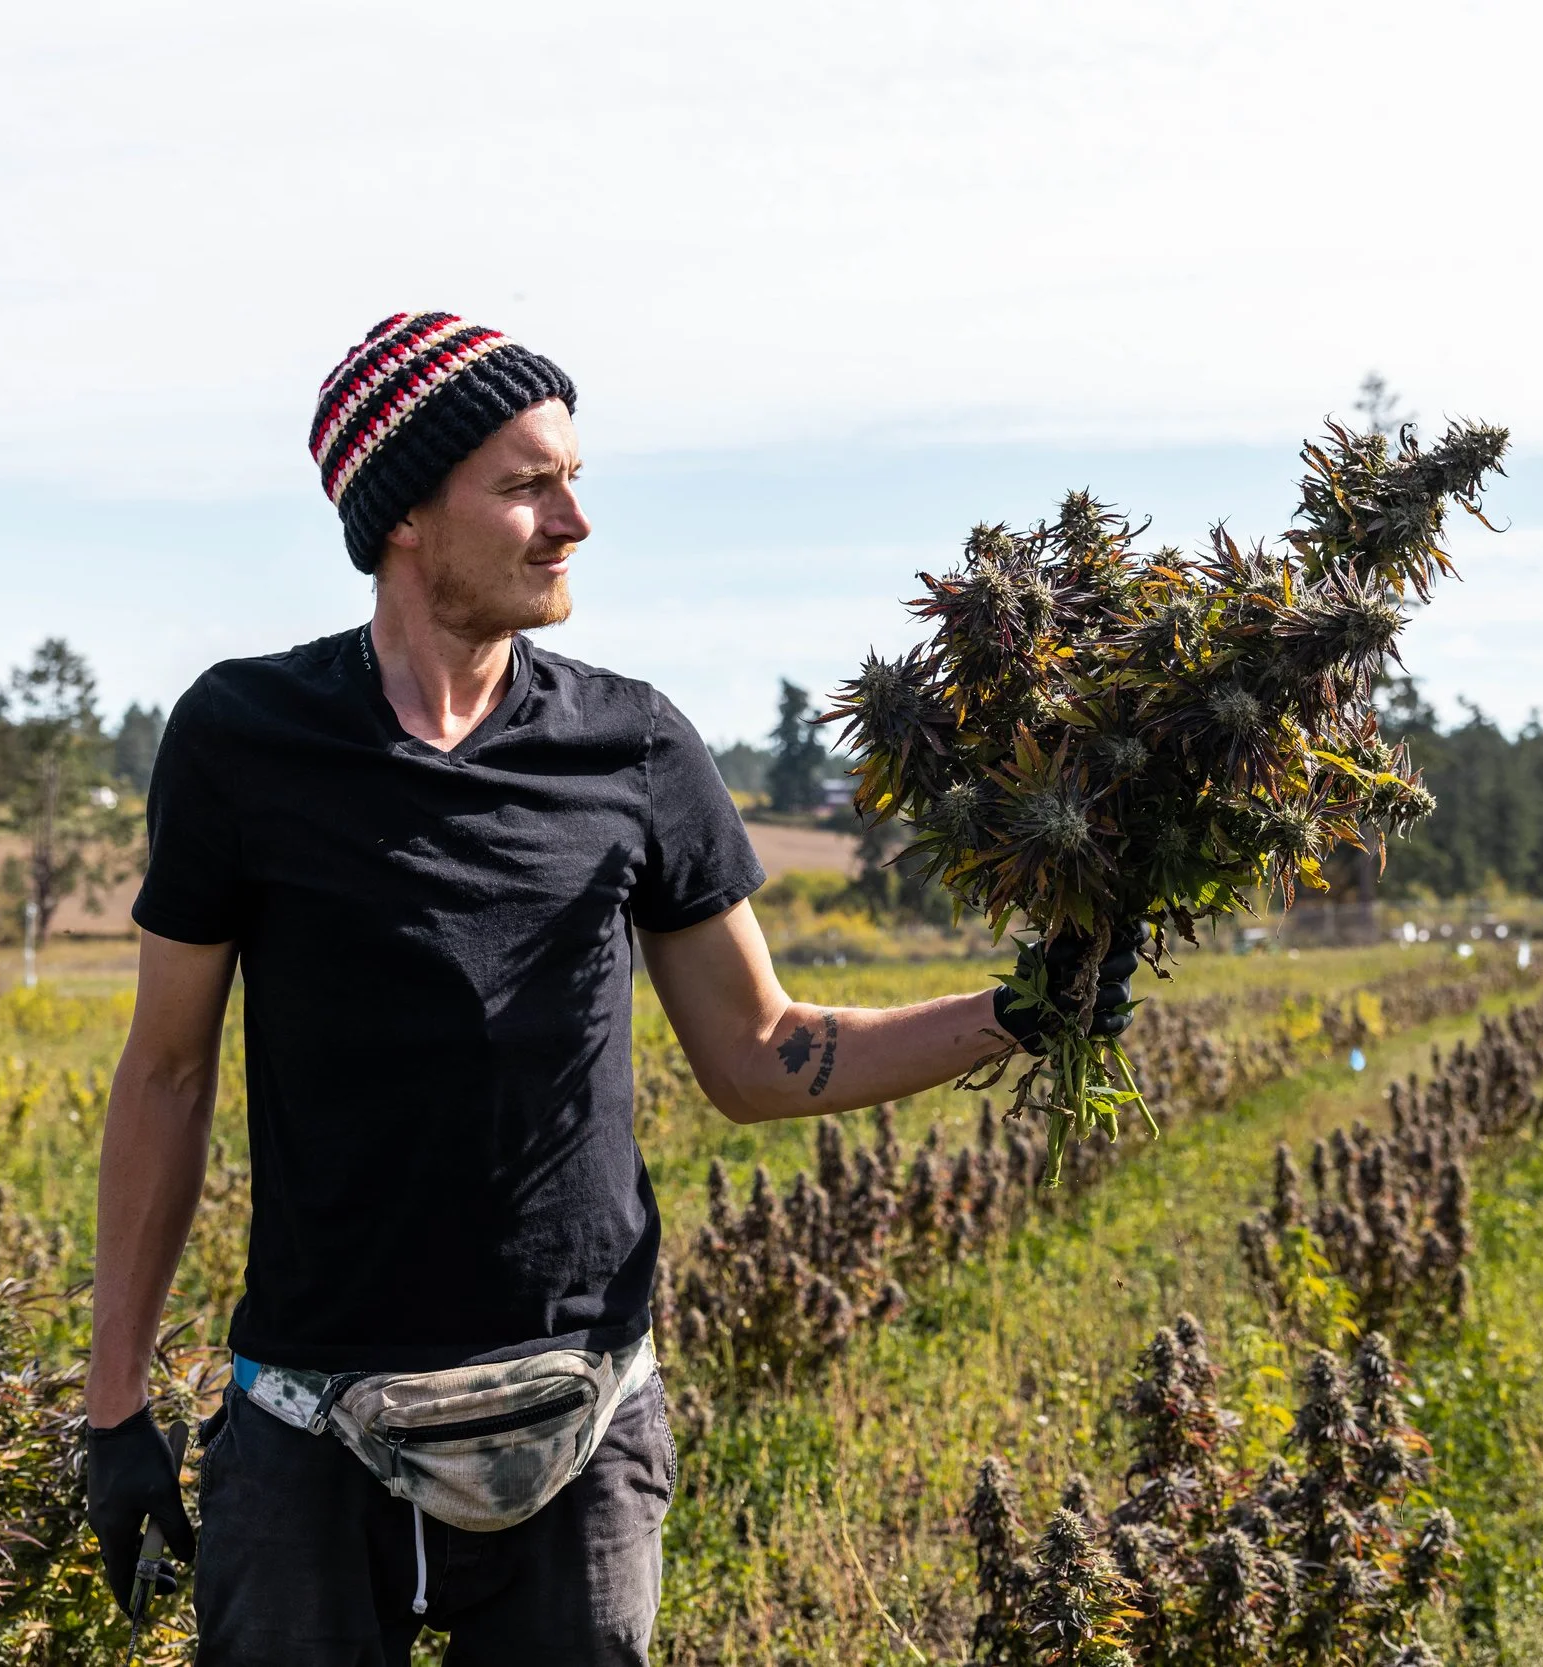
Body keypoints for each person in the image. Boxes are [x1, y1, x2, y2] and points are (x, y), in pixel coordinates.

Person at [82, 311, 1139, 1665]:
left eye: (573, 477)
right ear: (403, 510)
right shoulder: (244, 739)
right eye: (526, 484)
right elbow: (166, 1072)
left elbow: (762, 1052)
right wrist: (117, 1408)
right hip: (310, 1422)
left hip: (583, 1420)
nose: (572, 519)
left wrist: (1017, 1012)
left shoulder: (631, 744)